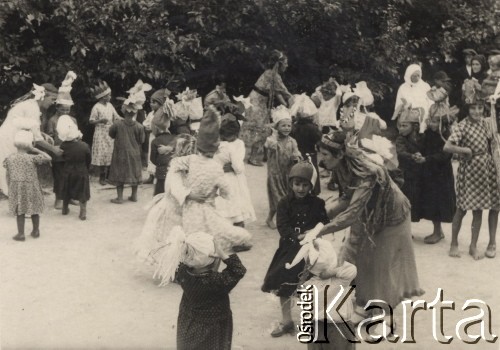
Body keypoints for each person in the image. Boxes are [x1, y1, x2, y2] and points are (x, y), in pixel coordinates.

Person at [315, 131, 424, 330]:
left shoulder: (366, 173)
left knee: (383, 264)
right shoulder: (341, 167)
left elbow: (351, 213)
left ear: (339, 155)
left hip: (392, 217)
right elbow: (346, 199)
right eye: (320, 153)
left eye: (325, 154)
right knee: (360, 258)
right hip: (369, 214)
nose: (321, 159)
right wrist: (318, 217)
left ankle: (388, 315)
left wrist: (319, 230)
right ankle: (363, 305)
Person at [155, 107, 252, 266]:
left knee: (191, 236)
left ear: (198, 147)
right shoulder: (215, 167)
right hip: (207, 207)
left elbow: (175, 163)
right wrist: (219, 194)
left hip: (189, 208)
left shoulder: (191, 159)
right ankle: (211, 262)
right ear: (215, 149)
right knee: (213, 234)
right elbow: (227, 191)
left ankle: (188, 266)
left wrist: (188, 192)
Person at [262, 161, 329, 337]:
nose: (300, 188)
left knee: (308, 285)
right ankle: (287, 321)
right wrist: (296, 236)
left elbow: (324, 222)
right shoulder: (284, 203)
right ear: (290, 184)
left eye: (305, 185)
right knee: (284, 284)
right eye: (297, 184)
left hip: (312, 251)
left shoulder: (318, 203)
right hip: (290, 249)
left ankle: (308, 322)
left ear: (311, 185)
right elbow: (282, 226)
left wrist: (314, 233)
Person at [159, 227, 246, 350]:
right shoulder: (217, 282)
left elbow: (194, 262)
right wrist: (224, 254)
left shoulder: (182, 271)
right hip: (212, 328)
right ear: (214, 259)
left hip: (188, 320)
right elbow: (238, 270)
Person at [443, 89, 500, 260]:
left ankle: (473, 246)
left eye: (480, 108)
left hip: (485, 170)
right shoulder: (462, 126)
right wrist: (464, 150)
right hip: (469, 172)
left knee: (478, 211)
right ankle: (454, 243)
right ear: (467, 109)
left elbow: (493, 142)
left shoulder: (485, 123)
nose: (477, 111)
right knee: (461, 209)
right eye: (473, 108)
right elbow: (447, 147)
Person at [133, 134, 197, 269]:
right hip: (171, 209)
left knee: (184, 237)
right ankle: (171, 267)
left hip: (183, 208)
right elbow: (175, 188)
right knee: (169, 238)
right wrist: (192, 195)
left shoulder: (191, 169)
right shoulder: (174, 168)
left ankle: (181, 265)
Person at [287, 238, 357, 349]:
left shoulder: (308, 284)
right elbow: (351, 269)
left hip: (316, 326)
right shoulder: (340, 280)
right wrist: (329, 272)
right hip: (339, 327)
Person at [0, 83, 58, 196]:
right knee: (10, 166)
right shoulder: (33, 109)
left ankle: (15, 192)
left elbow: (27, 125)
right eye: (52, 99)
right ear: (43, 96)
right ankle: (13, 195)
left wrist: (42, 133)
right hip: (9, 137)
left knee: (10, 166)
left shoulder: (30, 105)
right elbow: (37, 139)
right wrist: (54, 149)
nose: (53, 103)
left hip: (9, 135)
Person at [241, 50, 293, 166]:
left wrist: (285, 104)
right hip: (257, 102)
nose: (287, 65)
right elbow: (284, 91)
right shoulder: (273, 75)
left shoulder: (271, 74)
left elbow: (278, 92)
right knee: (261, 128)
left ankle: (252, 155)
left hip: (257, 100)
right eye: (285, 63)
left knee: (260, 128)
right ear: (279, 64)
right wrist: (293, 102)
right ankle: (252, 157)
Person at [4, 130, 52, 241]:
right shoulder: (32, 158)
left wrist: (9, 186)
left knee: (20, 210)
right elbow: (49, 158)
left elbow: (8, 175)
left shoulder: (10, 158)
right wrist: (36, 149)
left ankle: (21, 234)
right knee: (34, 209)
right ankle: (36, 231)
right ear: (30, 144)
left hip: (16, 187)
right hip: (32, 186)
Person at [419, 110, 456, 244]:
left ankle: (437, 232)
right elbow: (423, 147)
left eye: (435, 122)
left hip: (441, 174)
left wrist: (427, 159)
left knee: (438, 202)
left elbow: (445, 155)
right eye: (431, 121)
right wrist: (419, 154)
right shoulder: (429, 133)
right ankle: (437, 231)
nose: (431, 124)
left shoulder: (446, 136)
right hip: (430, 171)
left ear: (443, 124)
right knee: (431, 200)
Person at [214, 113, 256, 226]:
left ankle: (235, 228)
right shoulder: (232, 145)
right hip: (230, 179)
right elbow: (238, 167)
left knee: (233, 205)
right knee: (231, 204)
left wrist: (231, 166)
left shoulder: (230, 144)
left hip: (227, 178)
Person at [264, 106, 302, 229]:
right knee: (278, 199)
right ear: (277, 127)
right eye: (283, 125)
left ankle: (281, 219)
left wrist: (296, 157)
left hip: (288, 174)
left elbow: (296, 153)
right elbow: (272, 146)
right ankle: (271, 218)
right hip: (275, 174)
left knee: (288, 198)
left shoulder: (292, 141)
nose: (286, 128)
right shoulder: (271, 140)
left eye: (289, 126)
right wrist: (274, 134)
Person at [46, 71, 78, 209]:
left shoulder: (73, 119)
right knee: (59, 176)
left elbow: (76, 134)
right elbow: (49, 137)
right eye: (62, 109)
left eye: (67, 110)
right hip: (58, 153)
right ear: (57, 107)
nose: (65, 112)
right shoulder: (52, 120)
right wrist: (53, 151)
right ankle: (58, 199)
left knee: (71, 175)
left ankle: (69, 197)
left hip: (71, 153)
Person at [108, 97, 145, 203]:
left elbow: (111, 134)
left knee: (119, 172)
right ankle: (134, 196)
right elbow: (141, 140)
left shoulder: (117, 124)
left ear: (124, 111)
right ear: (135, 113)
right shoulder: (139, 126)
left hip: (121, 153)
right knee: (135, 172)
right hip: (135, 153)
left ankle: (120, 198)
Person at [56, 115, 91, 220]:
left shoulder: (64, 146)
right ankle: (83, 211)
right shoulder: (84, 146)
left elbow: (62, 157)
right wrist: (87, 168)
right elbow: (88, 159)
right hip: (81, 171)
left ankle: (65, 208)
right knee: (82, 192)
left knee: (66, 190)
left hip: (68, 170)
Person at [89, 81, 122, 185]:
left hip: (110, 132)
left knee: (110, 153)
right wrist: (100, 121)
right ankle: (102, 177)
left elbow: (116, 116)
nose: (110, 97)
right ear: (103, 97)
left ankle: (109, 176)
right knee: (102, 154)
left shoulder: (110, 105)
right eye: (108, 95)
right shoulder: (96, 107)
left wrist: (125, 120)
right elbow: (91, 121)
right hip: (100, 133)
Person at [395, 106, 423, 222]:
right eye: (400, 125)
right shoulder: (401, 139)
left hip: (417, 174)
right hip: (405, 174)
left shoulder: (421, 138)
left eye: (404, 126)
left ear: (415, 126)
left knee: (416, 201)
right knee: (405, 201)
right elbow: (401, 152)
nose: (401, 129)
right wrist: (413, 156)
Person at [290, 95, 322, 195]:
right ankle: (313, 191)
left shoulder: (294, 127)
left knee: (298, 173)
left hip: (298, 152)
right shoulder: (313, 128)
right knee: (312, 172)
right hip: (310, 153)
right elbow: (318, 140)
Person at [392, 64, 432, 132]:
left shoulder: (426, 86)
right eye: (414, 76)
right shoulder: (403, 87)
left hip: (423, 113)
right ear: (409, 75)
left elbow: (431, 103)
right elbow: (398, 104)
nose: (417, 78)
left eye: (418, 75)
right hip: (407, 112)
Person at [142, 88, 169, 184]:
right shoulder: (150, 114)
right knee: (152, 154)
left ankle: (161, 176)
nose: (151, 104)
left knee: (161, 155)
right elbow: (146, 124)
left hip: (161, 137)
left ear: (160, 104)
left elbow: (165, 125)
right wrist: (148, 128)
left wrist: (157, 129)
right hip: (152, 137)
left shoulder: (164, 114)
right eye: (151, 102)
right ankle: (151, 175)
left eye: (154, 102)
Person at [149, 108, 176, 196]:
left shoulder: (155, 141)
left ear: (156, 128)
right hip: (173, 171)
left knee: (159, 194)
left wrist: (160, 162)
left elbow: (153, 159)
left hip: (161, 173)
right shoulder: (175, 138)